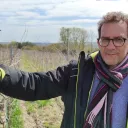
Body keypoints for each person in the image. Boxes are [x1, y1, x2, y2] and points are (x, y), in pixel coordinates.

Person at [0, 11, 128, 128]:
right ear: (99, 42)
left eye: (118, 39)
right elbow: (37, 84)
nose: (111, 46)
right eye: (105, 39)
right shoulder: (78, 71)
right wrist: (3, 75)